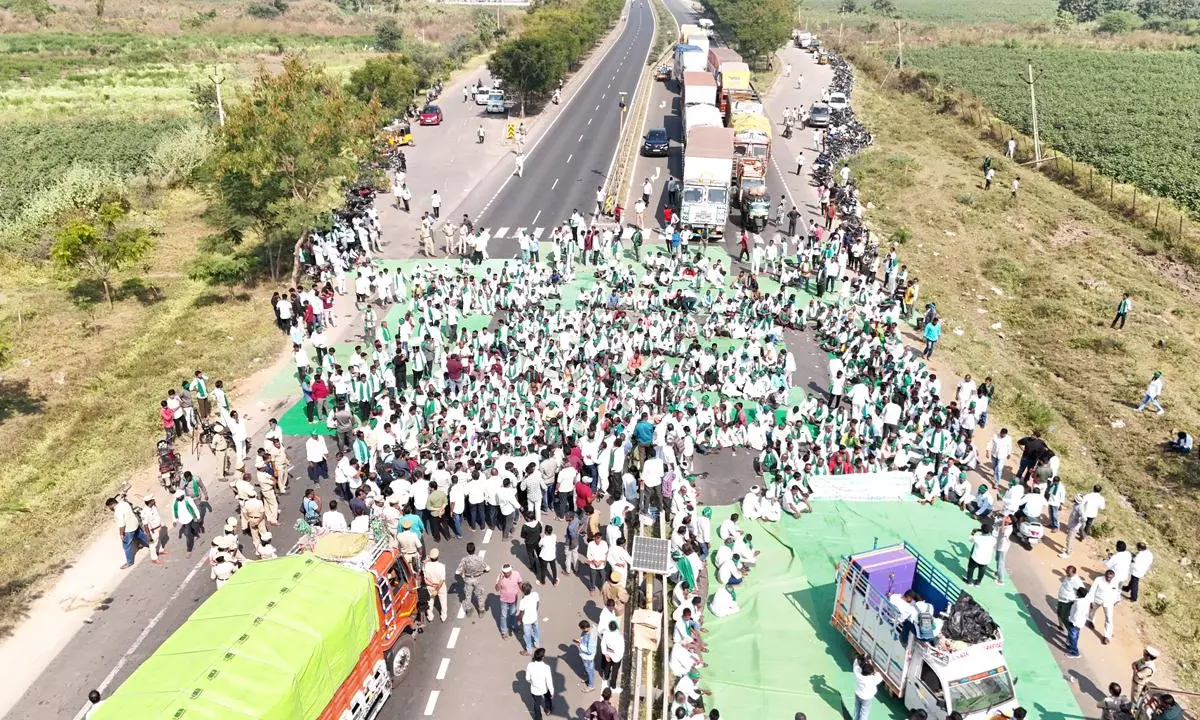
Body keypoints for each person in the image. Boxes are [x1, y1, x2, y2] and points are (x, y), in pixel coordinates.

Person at [455, 542, 490, 618]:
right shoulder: (479, 559)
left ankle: (468, 611)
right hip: (477, 578)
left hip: (468, 579)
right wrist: (482, 572)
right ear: (474, 549)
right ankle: (481, 611)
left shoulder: (464, 560)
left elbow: (457, 572)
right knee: (479, 595)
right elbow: (487, 568)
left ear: (467, 550)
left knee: (468, 596)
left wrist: (463, 576)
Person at [525, 647, 556, 720]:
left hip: (534, 689)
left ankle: (538, 718)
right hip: (544, 688)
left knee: (536, 703)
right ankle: (548, 710)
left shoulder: (530, 665)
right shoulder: (546, 667)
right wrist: (552, 691)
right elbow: (549, 681)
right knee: (547, 698)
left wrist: (533, 682)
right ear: (542, 657)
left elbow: (527, 678)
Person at [496, 563, 524, 638]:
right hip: (504, 600)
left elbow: (520, 583)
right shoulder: (500, 577)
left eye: (508, 572)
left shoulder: (516, 574)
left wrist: (524, 593)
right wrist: (500, 580)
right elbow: (497, 589)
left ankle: (513, 626)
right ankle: (503, 631)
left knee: (513, 613)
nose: (506, 574)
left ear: (511, 570)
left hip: (514, 599)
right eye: (505, 573)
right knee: (503, 616)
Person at [851, 655, 883, 720]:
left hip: (858, 694)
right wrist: (870, 662)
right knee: (864, 714)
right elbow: (879, 675)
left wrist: (863, 657)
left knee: (857, 711)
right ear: (870, 673)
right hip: (867, 698)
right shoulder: (872, 680)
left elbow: (856, 662)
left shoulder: (857, 673)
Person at [1055, 565, 1084, 630]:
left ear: (1074, 573)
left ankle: (1070, 631)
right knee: (1059, 613)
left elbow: (1083, 592)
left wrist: (1076, 601)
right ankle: (1061, 626)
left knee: (1064, 617)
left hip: (1068, 602)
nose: (1067, 574)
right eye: (1066, 572)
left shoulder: (1077, 581)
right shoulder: (1068, 576)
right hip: (1061, 599)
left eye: (1069, 573)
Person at [424, 548, 448, 622]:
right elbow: (442, 580)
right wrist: (437, 588)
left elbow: (425, 579)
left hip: (430, 586)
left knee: (430, 601)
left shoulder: (426, 566)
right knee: (443, 601)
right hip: (440, 587)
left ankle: (430, 616)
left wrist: (432, 584)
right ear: (438, 557)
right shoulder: (441, 566)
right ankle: (443, 616)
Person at [1065, 585, 1089, 657]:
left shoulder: (1079, 603)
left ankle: (1075, 652)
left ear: (1079, 594)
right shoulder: (1085, 601)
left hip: (1075, 622)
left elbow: (1076, 614)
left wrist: (1072, 621)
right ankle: (1070, 646)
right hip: (1079, 622)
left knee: (1073, 637)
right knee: (1074, 636)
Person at [518, 581, 541, 655]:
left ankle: (529, 650)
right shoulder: (535, 594)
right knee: (536, 631)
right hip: (534, 617)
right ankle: (537, 644)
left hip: (527, 620)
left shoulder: (523, 601)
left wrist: (519, 620)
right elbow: (537, 604)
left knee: (527, 636)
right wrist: (535, 611)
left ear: (523, 591)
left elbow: (521, 613)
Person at [576, 620, 599, 691]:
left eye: (582, 629)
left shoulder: (591, 637)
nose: (581, 631)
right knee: (588, 670)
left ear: (585, 628)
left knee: (589, 670)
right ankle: (588, 679)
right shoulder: (591, 630)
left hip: (588, 657)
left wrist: (580, 645)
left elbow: (589, 651)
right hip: (587, 656)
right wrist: (580, 640)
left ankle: (591, 686)